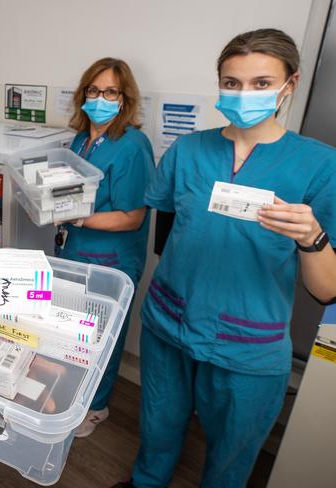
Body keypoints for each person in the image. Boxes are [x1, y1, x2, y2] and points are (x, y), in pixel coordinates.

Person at [115, 29, 336, 488]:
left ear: (289, 85)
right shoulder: (189, 150)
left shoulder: (320, 165)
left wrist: (312, 238)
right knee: (157, 428)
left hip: (248, 346)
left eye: (260, 83)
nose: (243, 94)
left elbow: (325, 289)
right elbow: (172, 230)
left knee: (232, 453)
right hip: (169, 323)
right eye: (231, 83)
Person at [55, 57, 154, 437]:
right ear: (83, 95)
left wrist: (78, 218)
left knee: (104, 336)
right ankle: (76, 392)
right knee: (77, 332)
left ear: (123, 98)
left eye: (110, 91)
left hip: (111, 259)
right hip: (76, 251)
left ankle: (96, 407)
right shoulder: (81, 140)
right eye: (94, 90)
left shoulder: (132, 145)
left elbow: (133, 217)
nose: (101, 98)